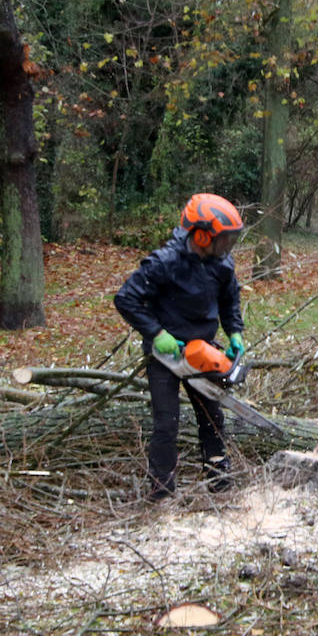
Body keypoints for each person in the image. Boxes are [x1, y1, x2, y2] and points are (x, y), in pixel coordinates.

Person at [115, 193, 246, 499]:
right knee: (166, 422)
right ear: (201, 236)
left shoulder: (221, 264)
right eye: (223, 239)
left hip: (202, 348)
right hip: (166, 355)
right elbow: (126, 298)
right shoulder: (164, 263)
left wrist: (235, 332)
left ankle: (218, 479)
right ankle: (161, 492)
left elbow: (230, 300)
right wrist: (155, 332)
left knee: (212, 416)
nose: (227, 246)